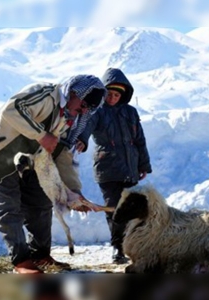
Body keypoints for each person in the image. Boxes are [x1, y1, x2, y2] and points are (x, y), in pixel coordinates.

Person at [0, 75, 106, 274]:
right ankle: (21, 261)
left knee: (41, 202)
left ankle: (40, 254)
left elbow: (61, 154)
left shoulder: (68, 119)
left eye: (89, 109)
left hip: (30, 159)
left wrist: (74, 193)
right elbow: (12, 109)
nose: (84, 111)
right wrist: (42, 135)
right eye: (84, 104)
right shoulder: (45, 94)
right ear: (74, 92)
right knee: (9, 207)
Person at [78, 68, 152, 264]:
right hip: (107, 167)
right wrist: (82, 141)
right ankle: (117, 248)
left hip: (130, 167)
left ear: (123, 95)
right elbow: (86, 127)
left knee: (130, 209)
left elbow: (139, 139)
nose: (112, 98)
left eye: (116, 95)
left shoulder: (130, 112)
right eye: (109, 94)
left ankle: (132, 246)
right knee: (114, 208)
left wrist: (143, 164)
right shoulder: (98, 111)